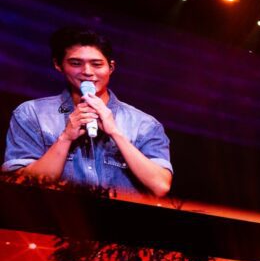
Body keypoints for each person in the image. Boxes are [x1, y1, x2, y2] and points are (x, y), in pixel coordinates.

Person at [3, 26, 173, 196]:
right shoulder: (31, 113)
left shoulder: (144, 124)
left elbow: (160, 186)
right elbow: (19, 184)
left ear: (111, 67)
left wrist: (115, 133)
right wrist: (65, 137)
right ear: (58, 65)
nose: (87, 72)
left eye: (97, 64)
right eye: (76, 63)